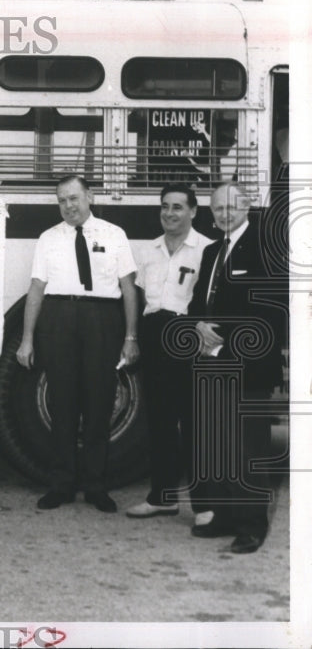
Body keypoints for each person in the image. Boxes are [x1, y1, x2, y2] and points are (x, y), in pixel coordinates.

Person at [16, 175, 139, 513]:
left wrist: (130, 337)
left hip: (102, 320)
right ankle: (62, 484)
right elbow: (37, 289)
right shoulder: (48, 239)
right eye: (62, 201)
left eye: (73, 198)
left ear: (90, 196)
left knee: (99, 405)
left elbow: (128, 288)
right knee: (63, 405)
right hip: (58, 319)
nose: (68, 206)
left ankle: (97, 486)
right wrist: (27, 339)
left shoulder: (114, 235)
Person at [186, 183, 284, 554]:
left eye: (231, 207)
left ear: (247, 207)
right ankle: (225, 516)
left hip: (248, 366)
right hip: (211, 364)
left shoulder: (265, 248)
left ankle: (252, 525)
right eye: (218, 209)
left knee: (247, 450)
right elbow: (199, 301)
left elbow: (270, 312)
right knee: (219, 448)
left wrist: (223, 337)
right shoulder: (213, 251)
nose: (224, 214)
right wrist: (198, 325)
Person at [125, 184, 213, 522]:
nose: (169, 213)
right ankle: (162, 497)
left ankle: (203, 505)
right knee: (159, 421)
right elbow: (141, 298)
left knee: (193, 423)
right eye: (165, 206)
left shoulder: (206, 249)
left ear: (193, 211)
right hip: (153, 334)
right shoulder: (149, 250)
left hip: (188, 334)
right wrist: (133, 338)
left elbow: (209, 304)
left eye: (178, 207)